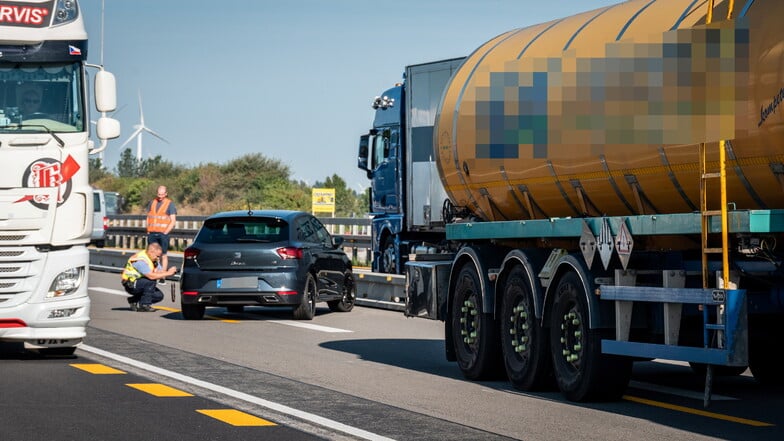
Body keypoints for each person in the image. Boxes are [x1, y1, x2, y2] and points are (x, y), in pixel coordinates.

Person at [121, 242, 176, 312]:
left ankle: (133, 300)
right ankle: (144, 305)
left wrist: (169, 271)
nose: (158, 258)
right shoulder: (141, 260)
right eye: (157, 256)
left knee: (158, 295)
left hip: (140, 282)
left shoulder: (153, 259)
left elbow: (159, 272)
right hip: (131, 284)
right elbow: (151, 276)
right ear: (151, 252)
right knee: (151, 281)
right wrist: (168, 273)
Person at [146, 185, 177, 284]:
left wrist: (165, 232)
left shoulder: (170, 204)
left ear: (166, 194)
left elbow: (173, 220)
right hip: (152, 232)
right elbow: (149, 216)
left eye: (162, 194)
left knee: (163, 254)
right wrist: (148, 229)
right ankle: (152, 274)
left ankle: (162, 276)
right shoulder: (152, 202)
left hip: (163, 233)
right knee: (151, 255)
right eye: (159, 194)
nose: (160, 196)